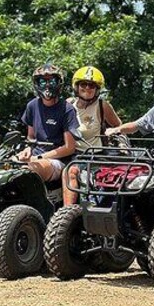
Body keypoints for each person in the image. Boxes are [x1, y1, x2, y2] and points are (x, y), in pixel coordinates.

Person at [63, 66, 122, 205]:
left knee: (72, 171)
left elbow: (118, 127)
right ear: (76, 86)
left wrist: (113, 134)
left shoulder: (102, 106)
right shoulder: (68, 104)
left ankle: (67, 214)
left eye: (92, 85)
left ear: (97, 89)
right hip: (71, 151)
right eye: (83, 84)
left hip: (94, 154)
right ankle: (65, 213)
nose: (87, 88)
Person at [16, 64, 80, 183]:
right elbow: (31, 137)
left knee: (26, 173)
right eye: (42, 82)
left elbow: (69, 148)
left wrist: (39, 157)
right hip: (35, 156)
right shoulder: (32, 106)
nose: (47, 85)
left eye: (52, 81)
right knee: (2, 167)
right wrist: (27, 149)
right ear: (36, 84)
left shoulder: (67, 109)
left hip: (58, 160)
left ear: (59, 83)